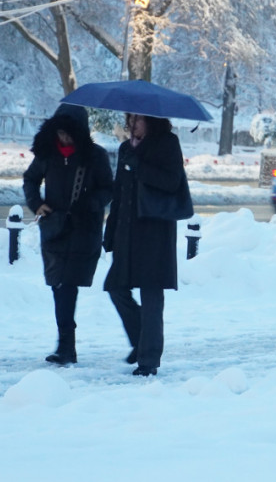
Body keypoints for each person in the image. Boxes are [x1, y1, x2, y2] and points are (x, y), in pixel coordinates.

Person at [23, 104, 113, 365]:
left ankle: (66, 346)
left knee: (67, 285)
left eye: (68, 134)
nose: (64, 138)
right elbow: (30, 179)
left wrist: (90, 203)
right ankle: (66, 345)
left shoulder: (95, 156)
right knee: (58, 285)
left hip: (83, 229)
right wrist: (36, 204)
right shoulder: (47, 153)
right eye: (60, 133)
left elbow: (108, 189)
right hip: (54, 228)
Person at [103, 113, 192, 377]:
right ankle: (142, 338)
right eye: (130, 119)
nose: (132, 124)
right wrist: (110, 231)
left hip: (154, 233)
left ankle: (149, 359)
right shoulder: (125, 148)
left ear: (152, 120)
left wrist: (139, 166)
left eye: (138, 119)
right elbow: (119, 192)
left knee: (151, 296)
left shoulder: (167, 143)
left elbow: (172, 182)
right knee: (115, 288)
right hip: (127, 232)